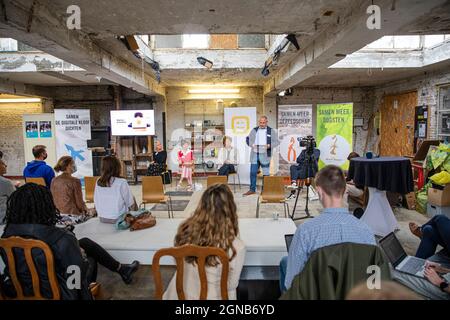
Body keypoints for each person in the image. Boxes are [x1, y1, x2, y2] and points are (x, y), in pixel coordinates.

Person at [0, 184, 139, 300]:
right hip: (59, 294)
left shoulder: (6, 237)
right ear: (47, 207)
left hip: (18, 291)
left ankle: (122, 269)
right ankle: (117, 273)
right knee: (88, 258)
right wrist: (82, 258)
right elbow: (75, 279)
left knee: (83, 242)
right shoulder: (62, 239)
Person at [279, 165, 376, 292]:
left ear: (319, 191)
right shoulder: (366, 231)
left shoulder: (306, 231)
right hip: (354, 293)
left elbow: (292, 283)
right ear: (345, 189)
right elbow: (374, 280)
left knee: (286, 262)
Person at [163, 184, 246, 300]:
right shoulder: (236, 246)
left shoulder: (185, 230)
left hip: (178, 295)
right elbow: (231, 285)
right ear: (231, 208)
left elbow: (178, 263)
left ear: (201, 205)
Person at [390, 216, 450, 300]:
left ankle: (420, 232)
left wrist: (441, 283)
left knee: (389, 268)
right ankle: (412, 267)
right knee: (428, 230)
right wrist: (442, 269)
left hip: (445, 287)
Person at [51, 156, 94, 225]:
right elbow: (80, 204)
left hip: (58, 217)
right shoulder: (75, 181)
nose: (74, 165)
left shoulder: (54, 180)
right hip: (72, 217)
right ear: (68, 166)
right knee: (94, 212)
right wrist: (88, 210)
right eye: (73, 163)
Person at [94, 156, 137, 223]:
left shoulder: (98, 181)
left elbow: (96, 200)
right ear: (117, 167)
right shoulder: (121, 182)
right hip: (119, 218)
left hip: (102, 217)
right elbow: (130, 203)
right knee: (132, 198)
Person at [244, 116, 279, 196]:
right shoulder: (254, 130)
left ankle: (265, 190)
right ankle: (252, 189)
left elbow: (276, 142)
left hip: (265, 154)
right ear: (258, 122)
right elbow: (248, 139)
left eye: (264, 122)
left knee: (266, 173)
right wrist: (251, 144)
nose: (262, 124)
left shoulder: (271, 131)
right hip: (255, 154)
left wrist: (269, 145)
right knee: (253, 172)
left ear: (266, 122)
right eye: (260, 122)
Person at [0, 158, 15, 224]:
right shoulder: (6, 182)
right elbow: (16, 201)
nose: (5, 165)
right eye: (2, 163)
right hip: (4, 221)